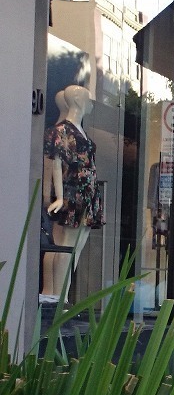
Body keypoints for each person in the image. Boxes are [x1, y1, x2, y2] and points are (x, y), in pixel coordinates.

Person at [41, 84, 102, 304]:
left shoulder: (78, 129)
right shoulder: (62, 130)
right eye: (88, 98)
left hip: (86, 193)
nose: (92, 104)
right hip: (73, 193)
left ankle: (58, 294)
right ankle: (58, 296)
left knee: (74, 246)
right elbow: (55, 164)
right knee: (65, 245)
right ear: (77, 101)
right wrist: (57, 196)